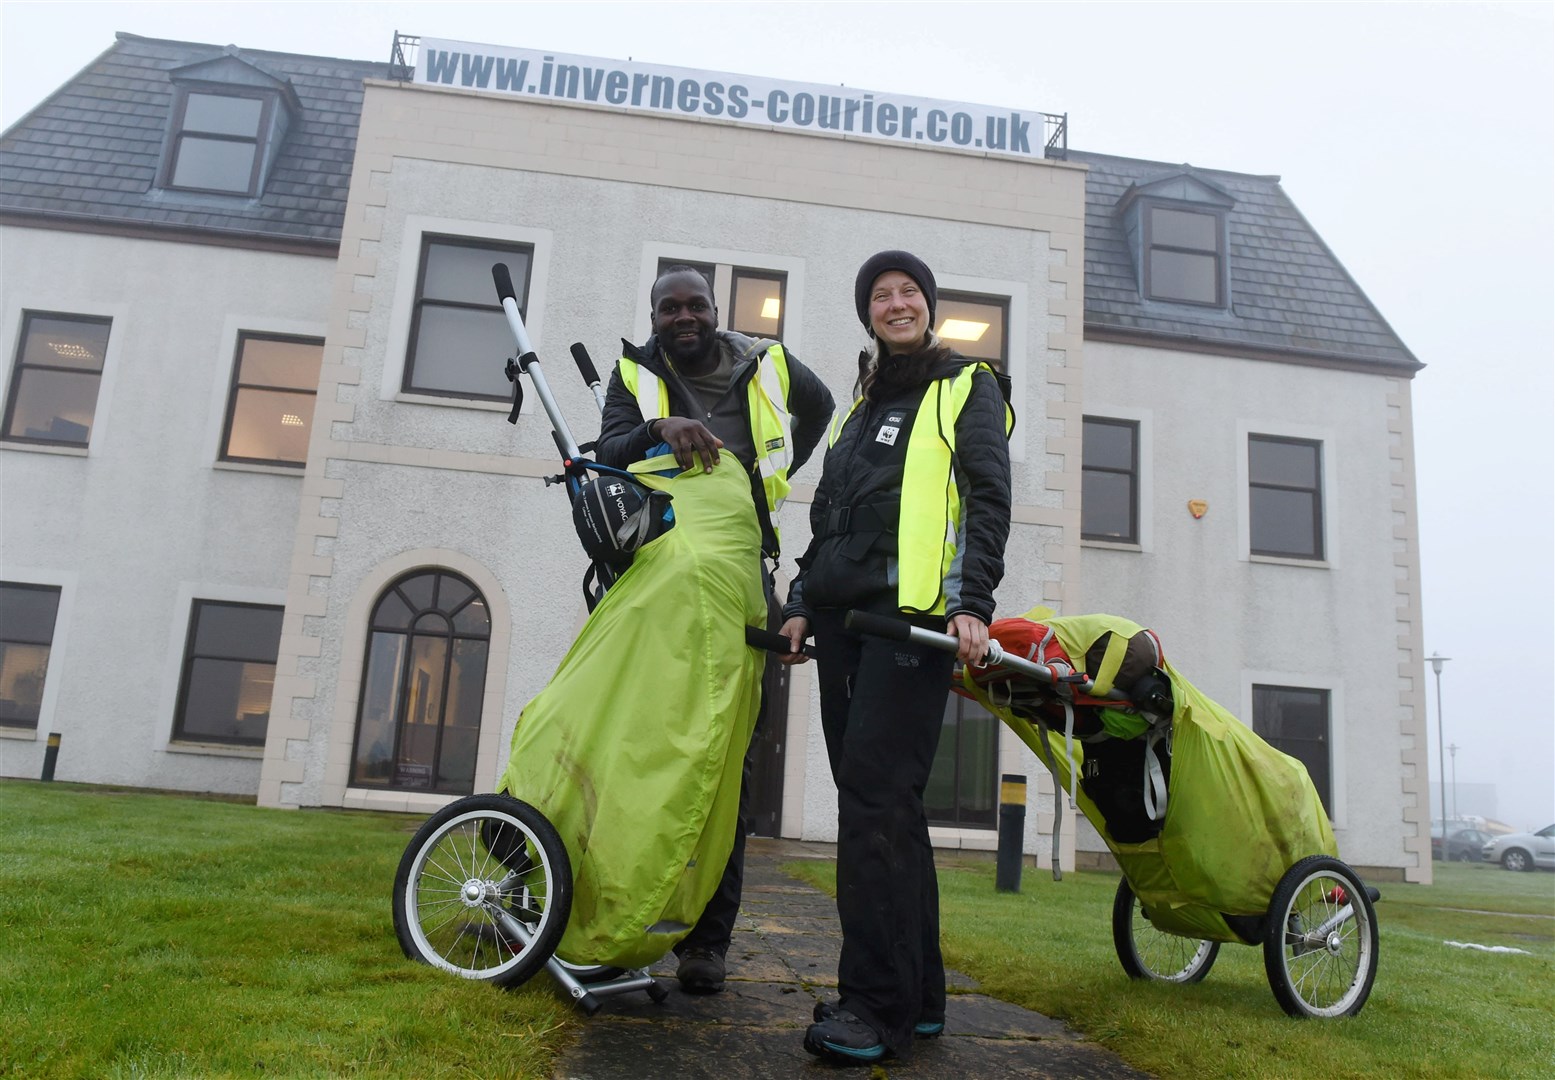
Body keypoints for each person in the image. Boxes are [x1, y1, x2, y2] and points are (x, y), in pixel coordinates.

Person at [777, 250, 1013, 1063]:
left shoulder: (965, 387)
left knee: (874, 803)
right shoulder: (856, 408)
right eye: (880, 295)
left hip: (910, 626)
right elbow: (830, 517)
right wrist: (803, 602)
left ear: (929, 306)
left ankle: (870, 1006)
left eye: (908, 290)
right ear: (867, 314)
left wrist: (971, 602)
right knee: (887, 809)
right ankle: (917, 999)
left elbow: (987, 496)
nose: (895, 302)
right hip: (844, 624)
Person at [595, 264, 834, 993]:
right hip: (656, 570)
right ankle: (615, 905)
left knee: (729, 755)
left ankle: (707, 942)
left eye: (694, 304)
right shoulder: (632, 373)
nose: (682, 316)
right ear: (655, 316)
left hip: (740, 571)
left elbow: (820, 410)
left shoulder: (768, 364)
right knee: (636, 742)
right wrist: (654, 429)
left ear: (715, 309)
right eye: (668, 308)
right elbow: (602, 454)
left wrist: (777, 475)